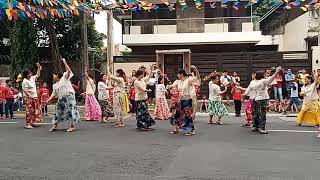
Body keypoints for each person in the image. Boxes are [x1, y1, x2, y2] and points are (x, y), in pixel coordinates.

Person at [246, 66, 282, 134]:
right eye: (264, 74)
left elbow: (248, 90)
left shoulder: (252, 82)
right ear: (262, 75)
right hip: (262, 98)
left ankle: (255, 126)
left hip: (254, 98)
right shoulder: (263, 81)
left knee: (255, 113)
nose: (265, 75)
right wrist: (277, 71)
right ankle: (262, 128)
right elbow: (271, 79)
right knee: (262, 114)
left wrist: (245, 95)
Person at [47, 58, 80, 132]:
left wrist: (64, 62)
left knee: (70, 110)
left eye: (54, 75)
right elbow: (54, 93)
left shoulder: (64, 78)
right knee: (57, 111)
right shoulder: (55, 85)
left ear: (57, 75)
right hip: (61, 99)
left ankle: (72, 126)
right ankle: (54, 125)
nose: (53, 77)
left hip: (69, 96)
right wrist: (48, 99)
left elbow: (68, 71)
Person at [169, 66, 200, 136]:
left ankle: (191, 130)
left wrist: (196, 70)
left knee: (188, 115)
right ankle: (176, 128)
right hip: (179, 100)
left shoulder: (188, 80)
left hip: (187, 100)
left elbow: (197, 78)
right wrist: (169, 87)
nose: (177, 76)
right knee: (176, 114)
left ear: (182, 74)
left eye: (178, 74)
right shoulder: (178, 81)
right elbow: (172, 85)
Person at [21, 63, 43, 129]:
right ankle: (28, 124)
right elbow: (25, 90)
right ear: (26, 75)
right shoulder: (25, 81)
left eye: (30, 73)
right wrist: (29, 96)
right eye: (29, 73)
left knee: (34, 110)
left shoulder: (32, 78)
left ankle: (32, 122)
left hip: (34, 97)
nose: (30, 74)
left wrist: (39, 68)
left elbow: (38, 75)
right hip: (29, 98)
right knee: (29, 110)